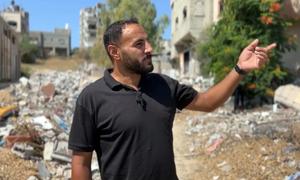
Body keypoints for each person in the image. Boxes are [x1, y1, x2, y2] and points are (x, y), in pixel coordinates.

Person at [68, 18, 276, 180]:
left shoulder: (164, 85)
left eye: (147, 41)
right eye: (139, 44)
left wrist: (239, 69)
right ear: (115, 52)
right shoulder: (92, 98)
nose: (149, 48)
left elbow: (208, 102)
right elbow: (81, 163)